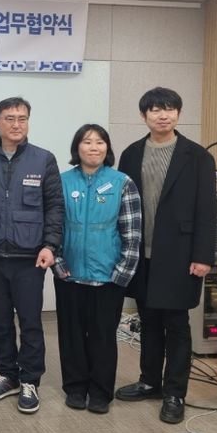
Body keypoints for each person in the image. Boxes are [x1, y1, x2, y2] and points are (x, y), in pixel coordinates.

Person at [114, 87, 216, 424]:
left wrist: (203, 255)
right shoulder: (131, 154)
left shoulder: (198, 157)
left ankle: (175, 392)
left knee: (176, 324)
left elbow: (207, 211)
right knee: (149, 321)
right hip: (140, 254)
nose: (163, 115)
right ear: (143, 115)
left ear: (179, 114)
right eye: (156, 110)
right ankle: (149, 382)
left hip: (181, 255)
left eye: (170, 109)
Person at [0, 96, 64, 413]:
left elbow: (55, 207)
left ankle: (30, 380)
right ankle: (7, 374)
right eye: (9, 118)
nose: (16, 124)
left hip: (29, 258)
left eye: (22, 118)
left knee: (30, 321)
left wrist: (50, 245)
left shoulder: (43, 159)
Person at [53, 124, 141, 414]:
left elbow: (132, 233)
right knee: (71, 336)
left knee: (103, 337)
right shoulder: (62, 181)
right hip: (69, 275)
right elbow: (52, 226)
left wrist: (122, 273)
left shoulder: (122, 183)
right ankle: (75, 388)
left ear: (107, 148)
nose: (94, 147)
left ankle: (101, 392)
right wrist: (57, 263)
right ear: (76, 148)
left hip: (108, 277)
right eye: (87, 141)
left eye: (100, 142)